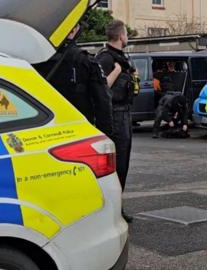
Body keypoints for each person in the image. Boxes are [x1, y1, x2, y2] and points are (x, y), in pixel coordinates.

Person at [34, 24, 114, 136]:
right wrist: (106, 134)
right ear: (73, 31)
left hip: (46, 131)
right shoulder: (85, 60)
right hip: (79, 131)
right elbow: (102, 100)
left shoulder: (38, 60)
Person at [95, 20, 136, 223]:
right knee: (117, 165)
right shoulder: (105, 58)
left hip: (125, 114)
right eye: (126, 33)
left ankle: (118, 207)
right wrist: (117, 71)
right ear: (121, 36)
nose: (127, 37)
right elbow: (101, 89)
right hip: (114, 115)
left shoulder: (120, 57)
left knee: (124, 164)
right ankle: (111, 211)